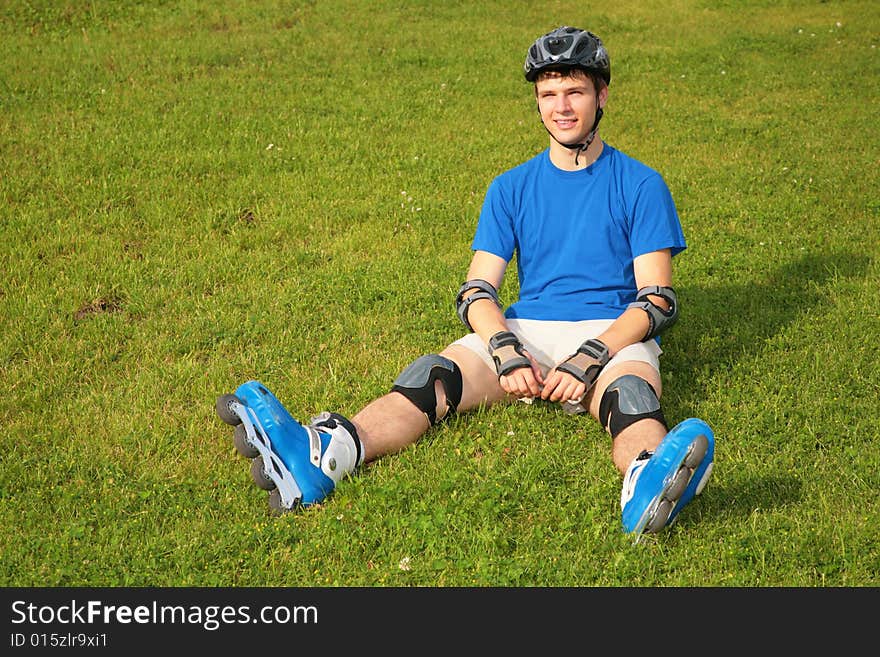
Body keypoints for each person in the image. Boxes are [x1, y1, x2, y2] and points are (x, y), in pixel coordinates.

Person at [216, 26, 715, 539]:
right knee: (430, 376)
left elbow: (656, 301)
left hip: (610, 334)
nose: (561, 106)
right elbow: (476, 291)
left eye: (575, 91)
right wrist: (506, 350)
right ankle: (323, 457)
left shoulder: (640, 183)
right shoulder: (510, 187)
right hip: (529, 330)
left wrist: (591, 355)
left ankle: (646, 482)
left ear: (601, 95)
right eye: (548, 94)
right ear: (536, 102)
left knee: (630, 396)